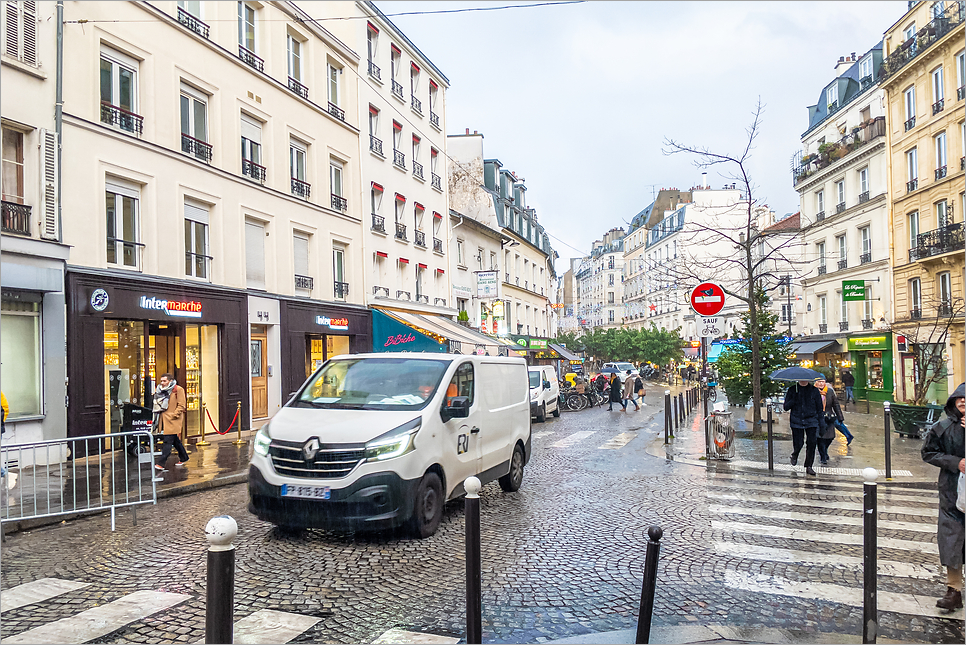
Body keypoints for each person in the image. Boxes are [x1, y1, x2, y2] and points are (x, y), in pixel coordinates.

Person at [921, 382, 965, 612]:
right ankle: (953, 590)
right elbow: (928, 453)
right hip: (951, 492)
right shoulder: (943, 427)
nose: (964, 401)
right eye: (960, 398)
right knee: (951, 539)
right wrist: (955, 462)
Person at [783, 379, 824, 476]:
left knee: (811, 443)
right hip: (796, 420)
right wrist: (794, 399)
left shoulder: (814, 391)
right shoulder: (793, 389)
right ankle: (795, 454)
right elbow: (785, 407)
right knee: (798, 443)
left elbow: (819, 408)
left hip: (811, 420)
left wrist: (821, 423)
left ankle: (809, 466)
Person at [153, 373, 189, 471]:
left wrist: (174, 415)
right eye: (161, 381)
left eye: (165, 381)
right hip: (163, 419)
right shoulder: (160, 390)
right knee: (175, 441)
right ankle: (184, 457)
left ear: (170, 381)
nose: (162, 383)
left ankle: (161, 463)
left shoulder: (178, 389)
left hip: (173, 420)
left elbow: (181, 405)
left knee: (168, 441)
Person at [814, 377, 847, 465]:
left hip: (828, 417)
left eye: (823, 382)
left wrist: (840, 417)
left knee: (830, 437)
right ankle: (823, 456)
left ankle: (825, 450)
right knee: (820, 438)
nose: (821, 384)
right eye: (819, 382)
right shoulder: (812, 392)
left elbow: (836, 404)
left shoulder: (830, 391)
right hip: (817, 418)